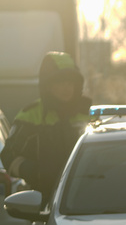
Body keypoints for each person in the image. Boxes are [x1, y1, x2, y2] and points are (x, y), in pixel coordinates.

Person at [0, 51, 92, 200]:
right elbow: (8, 155)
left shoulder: (89, 113)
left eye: (70, 83)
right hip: (43, 200)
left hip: (85, 196)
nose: (66, 88)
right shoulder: (30, 115)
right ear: (48, 86)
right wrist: (33, 172)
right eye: (60, 82)